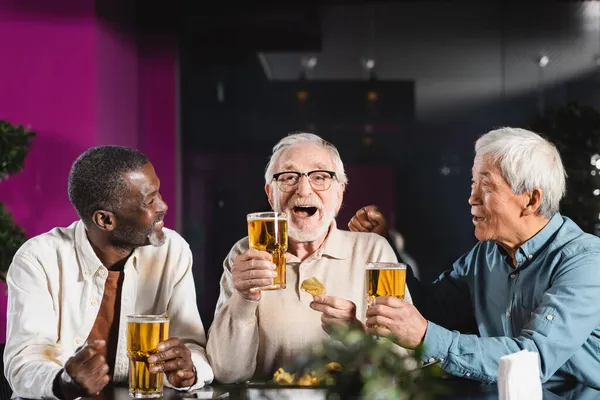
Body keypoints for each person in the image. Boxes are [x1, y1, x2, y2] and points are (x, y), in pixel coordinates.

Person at [349, 127, 600, 387]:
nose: (471, 197)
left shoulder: (586, 262)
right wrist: (384, 244)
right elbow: (433, 308)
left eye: (487, 185)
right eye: (473, 183)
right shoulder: (486, 254)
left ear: (531, 200)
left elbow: (531, 360)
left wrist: (425, 336)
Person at [4, 146, 214, 399]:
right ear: (105, 220)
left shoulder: (172, 250)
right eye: (150, 200)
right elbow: (24, 361)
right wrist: (64, 382)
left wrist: (189, 369)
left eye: (159, 193)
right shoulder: (38, 259)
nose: (163, 206)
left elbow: (190, 344)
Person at [206, 132, 411, 383]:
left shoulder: (373, 251)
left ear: (339, 195)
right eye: (289, 177)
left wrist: (356, 334)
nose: (303, 189)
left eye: (320, 177)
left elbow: (404, 365)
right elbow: (227, 373)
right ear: (272, 195)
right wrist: (244, 299)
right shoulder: (245, 254)